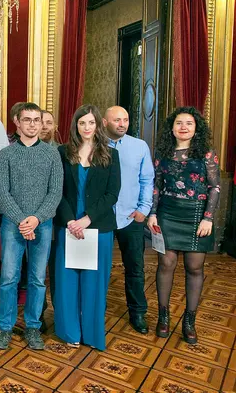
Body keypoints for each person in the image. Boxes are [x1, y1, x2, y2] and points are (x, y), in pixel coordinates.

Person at [0, 103, 62, 350]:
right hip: (13, 225)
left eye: (36, 120)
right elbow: (2, 192)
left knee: (37, 279)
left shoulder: (52, 154)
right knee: (9, 278)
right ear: (17, 122)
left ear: (41, 123)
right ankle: (5, 328)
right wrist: (22, 220)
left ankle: (33, 326)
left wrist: (36, 219)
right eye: (27, 119)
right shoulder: (6, 155)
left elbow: (55, 192)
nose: (32, 124)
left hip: (42, 224)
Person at [147, 107, 220, 344]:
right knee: (166, 264)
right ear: (172, 128)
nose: (184, 127)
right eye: (179, 123)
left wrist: (208, 218)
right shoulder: (163, 153)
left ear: (196, 128)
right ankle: (163, 316)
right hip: (167, 214)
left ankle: (190, 320)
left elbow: (214, 187)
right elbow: (156, 186)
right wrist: (152, 214)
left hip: (197, 215)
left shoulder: (206, 153)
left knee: (194, 267)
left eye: (189, 123)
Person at [54, 105, 120, 351]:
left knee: (94, 284)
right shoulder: (63, 152)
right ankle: (70, 331)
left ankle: (92, 334)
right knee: (67, 282)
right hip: (68, 226)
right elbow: (57, 190)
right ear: (76, 125)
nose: (87, 127)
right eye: (82, 123)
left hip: (98, 228)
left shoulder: (111, 155)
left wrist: (87, 219)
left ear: (99, 125)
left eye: (91, 122)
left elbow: (112, 194)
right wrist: (71, 221)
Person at [103, 106, 154, 334]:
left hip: (131, 217)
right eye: (117, 120)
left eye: (125, 119)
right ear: (105, 123)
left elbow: (147, 179)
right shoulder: (95, 145)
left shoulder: (139, 146)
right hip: (101, 217)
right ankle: (97, 309)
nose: (122, 124)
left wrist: (144, 209)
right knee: (99, 267)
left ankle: (138, 312)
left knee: (135, 268)